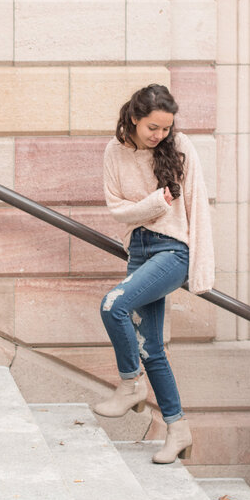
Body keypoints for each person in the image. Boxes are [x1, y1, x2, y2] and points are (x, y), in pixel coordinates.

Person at [92, 83, 214, 465]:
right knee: (152, 348)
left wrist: (200, 270)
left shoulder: (180, 148)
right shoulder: (114, 151)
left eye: (166, 128)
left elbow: (198, 207)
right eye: (153, 128)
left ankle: (130, 385)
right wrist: (153, 203)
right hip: (139, 250)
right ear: (134, 118)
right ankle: (178, 430)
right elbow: (117, 209)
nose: (160, 135)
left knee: (113, 305)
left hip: (173, 251)